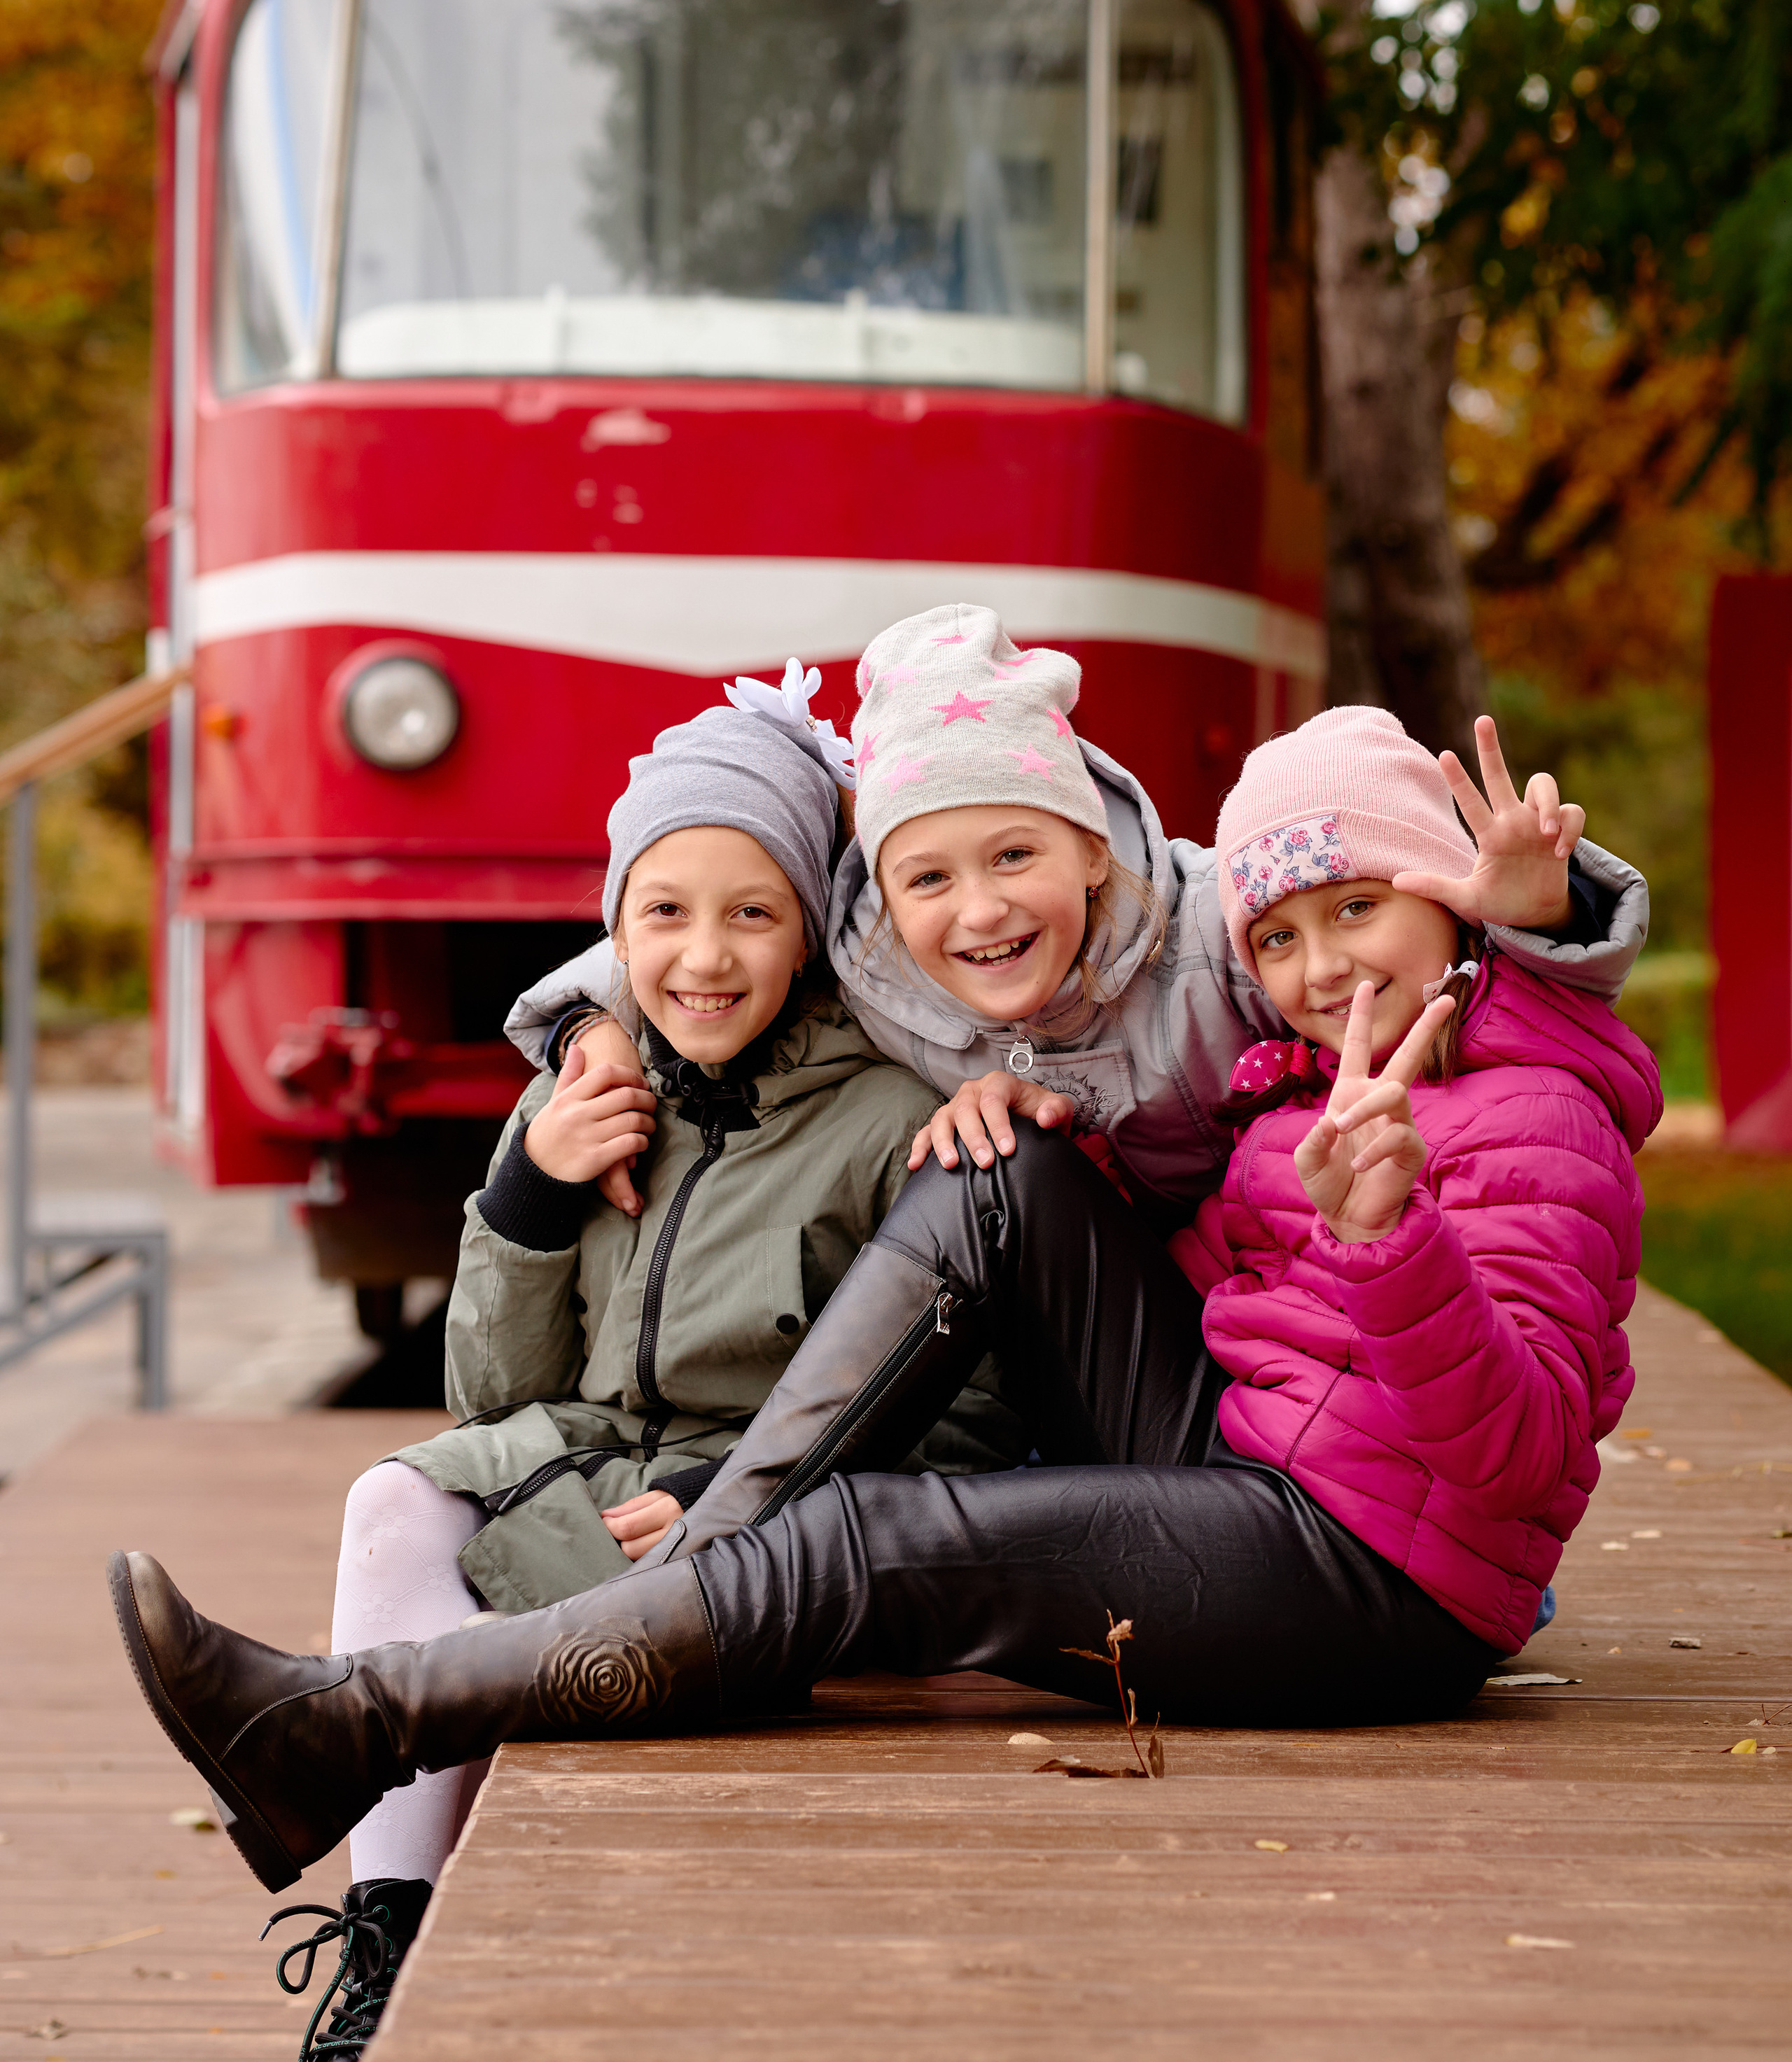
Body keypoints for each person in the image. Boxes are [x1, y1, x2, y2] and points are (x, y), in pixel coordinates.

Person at [108, 701, 1657, 1912]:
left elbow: (1514, 1459)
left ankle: (355, 1721)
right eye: (1277, 936)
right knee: (999, 1165)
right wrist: (598, 1015)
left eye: (1359, 911)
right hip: (1252, 1463)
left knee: (875, 1536)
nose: (1321, 966)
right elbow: (736, 925)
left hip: (1377, 1582)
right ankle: (720, 1554)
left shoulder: (1533, 1122)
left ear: (1456, 910)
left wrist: (1391, 1243)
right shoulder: (1296, 1085)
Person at [281, 668, 1024, 2056]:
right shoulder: (582, 1094)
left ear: (810, 933)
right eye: (663, 913)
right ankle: (383, 1943)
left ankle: (383, 1848)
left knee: (484, 1626)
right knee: (390, 1504)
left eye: (753, 913)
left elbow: (971, 1424)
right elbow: (492, 1406)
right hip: (600, 1474)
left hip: (775, 1540)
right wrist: (526, 1196)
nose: (704, 955)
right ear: (612, 931)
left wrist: (736, 1492)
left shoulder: (886, 1123)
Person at [508, 603, 1648, 1218]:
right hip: (1085, 1307)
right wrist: (587, 1030)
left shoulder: (1215, 928)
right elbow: (678, 946)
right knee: (985, 1172)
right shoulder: (869, 965)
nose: (980, 910)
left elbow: (1395, 951)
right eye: (930, 878)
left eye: (1016, 853)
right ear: (884, 897)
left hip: (1262, 1280)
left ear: (1093, 852)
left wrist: (1528, 919)